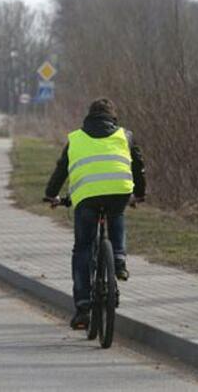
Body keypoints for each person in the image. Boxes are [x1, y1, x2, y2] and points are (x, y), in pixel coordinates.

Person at [44, 98, 146, 330]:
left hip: (87, 198)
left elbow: (61, 170)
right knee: (116, 212)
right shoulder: (125, 136)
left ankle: (82, 307)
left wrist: (51, 194)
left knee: (82, 248)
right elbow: (138, 167)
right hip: (119, 191)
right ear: (113, 117)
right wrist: (138, 194)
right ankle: (119, 260)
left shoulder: (76, 139)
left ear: (88, 117)